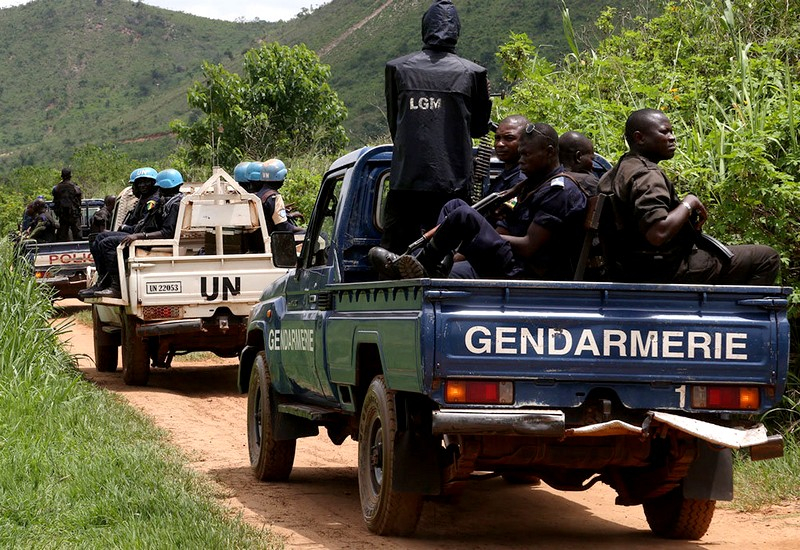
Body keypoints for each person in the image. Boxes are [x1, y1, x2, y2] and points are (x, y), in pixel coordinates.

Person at [370, 123, 588, 281]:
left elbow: (530, 247)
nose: (521, 160)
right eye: (520, 154)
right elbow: (511, 224)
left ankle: (422, 263)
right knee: (454, 206)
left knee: (464, 217)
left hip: (525, 271)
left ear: (550, 152)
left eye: (527, 155)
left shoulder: (560, 191)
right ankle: (432, 264)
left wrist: (482, 234)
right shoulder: (533, 184)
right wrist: (498, 221)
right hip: (512, 261)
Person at [598, 108, 780, 285]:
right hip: (663, 269)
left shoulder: (618, 170)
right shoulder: (647, 175)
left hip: (632, 266)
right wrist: (689, 203)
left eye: (672, 131)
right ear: (640, 138)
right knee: (766, 257)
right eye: (664, 132)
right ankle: (727, 314)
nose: (672, 137)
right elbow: (657, 233)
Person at [381, 0, 492, 253]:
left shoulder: (397, 68)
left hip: (406, 179)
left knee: (394, 252)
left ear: (425, 28)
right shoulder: (473, 73)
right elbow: (477, 129)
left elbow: (395, 127)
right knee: (452, 251)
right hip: (453, 181)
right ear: (456, 31)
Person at [79, 167, 160, 299]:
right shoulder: (143, 199)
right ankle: (103, 281)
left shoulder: (153, 201)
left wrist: (124, 227)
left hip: (144, 238)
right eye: (139, 183)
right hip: (137, 234)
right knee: (96, 238)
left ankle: (116, 287)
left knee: (107, 242)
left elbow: (143, 227)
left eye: (146, 182)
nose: (142, 186)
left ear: (153, 183)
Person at [252, 159, 305, 235]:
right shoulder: (274, 197)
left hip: (260, 238)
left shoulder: (258, 195)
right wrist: (306, 230)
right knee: (320, 235)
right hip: (274, 238)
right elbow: (284, 227)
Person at [559, 131, 599, 196]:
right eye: (591, 159)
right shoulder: (587, 181)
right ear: (578, 157)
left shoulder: (545, 177)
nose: (593, 166)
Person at [52, 168, 83, 241]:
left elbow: (55, 201)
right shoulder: (75, 187)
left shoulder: (57, 188)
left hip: (63, 216)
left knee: (62, 236)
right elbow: (79, 200)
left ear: (62, 176)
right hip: (74, 215)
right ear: (70, 176)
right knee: (78, 235)